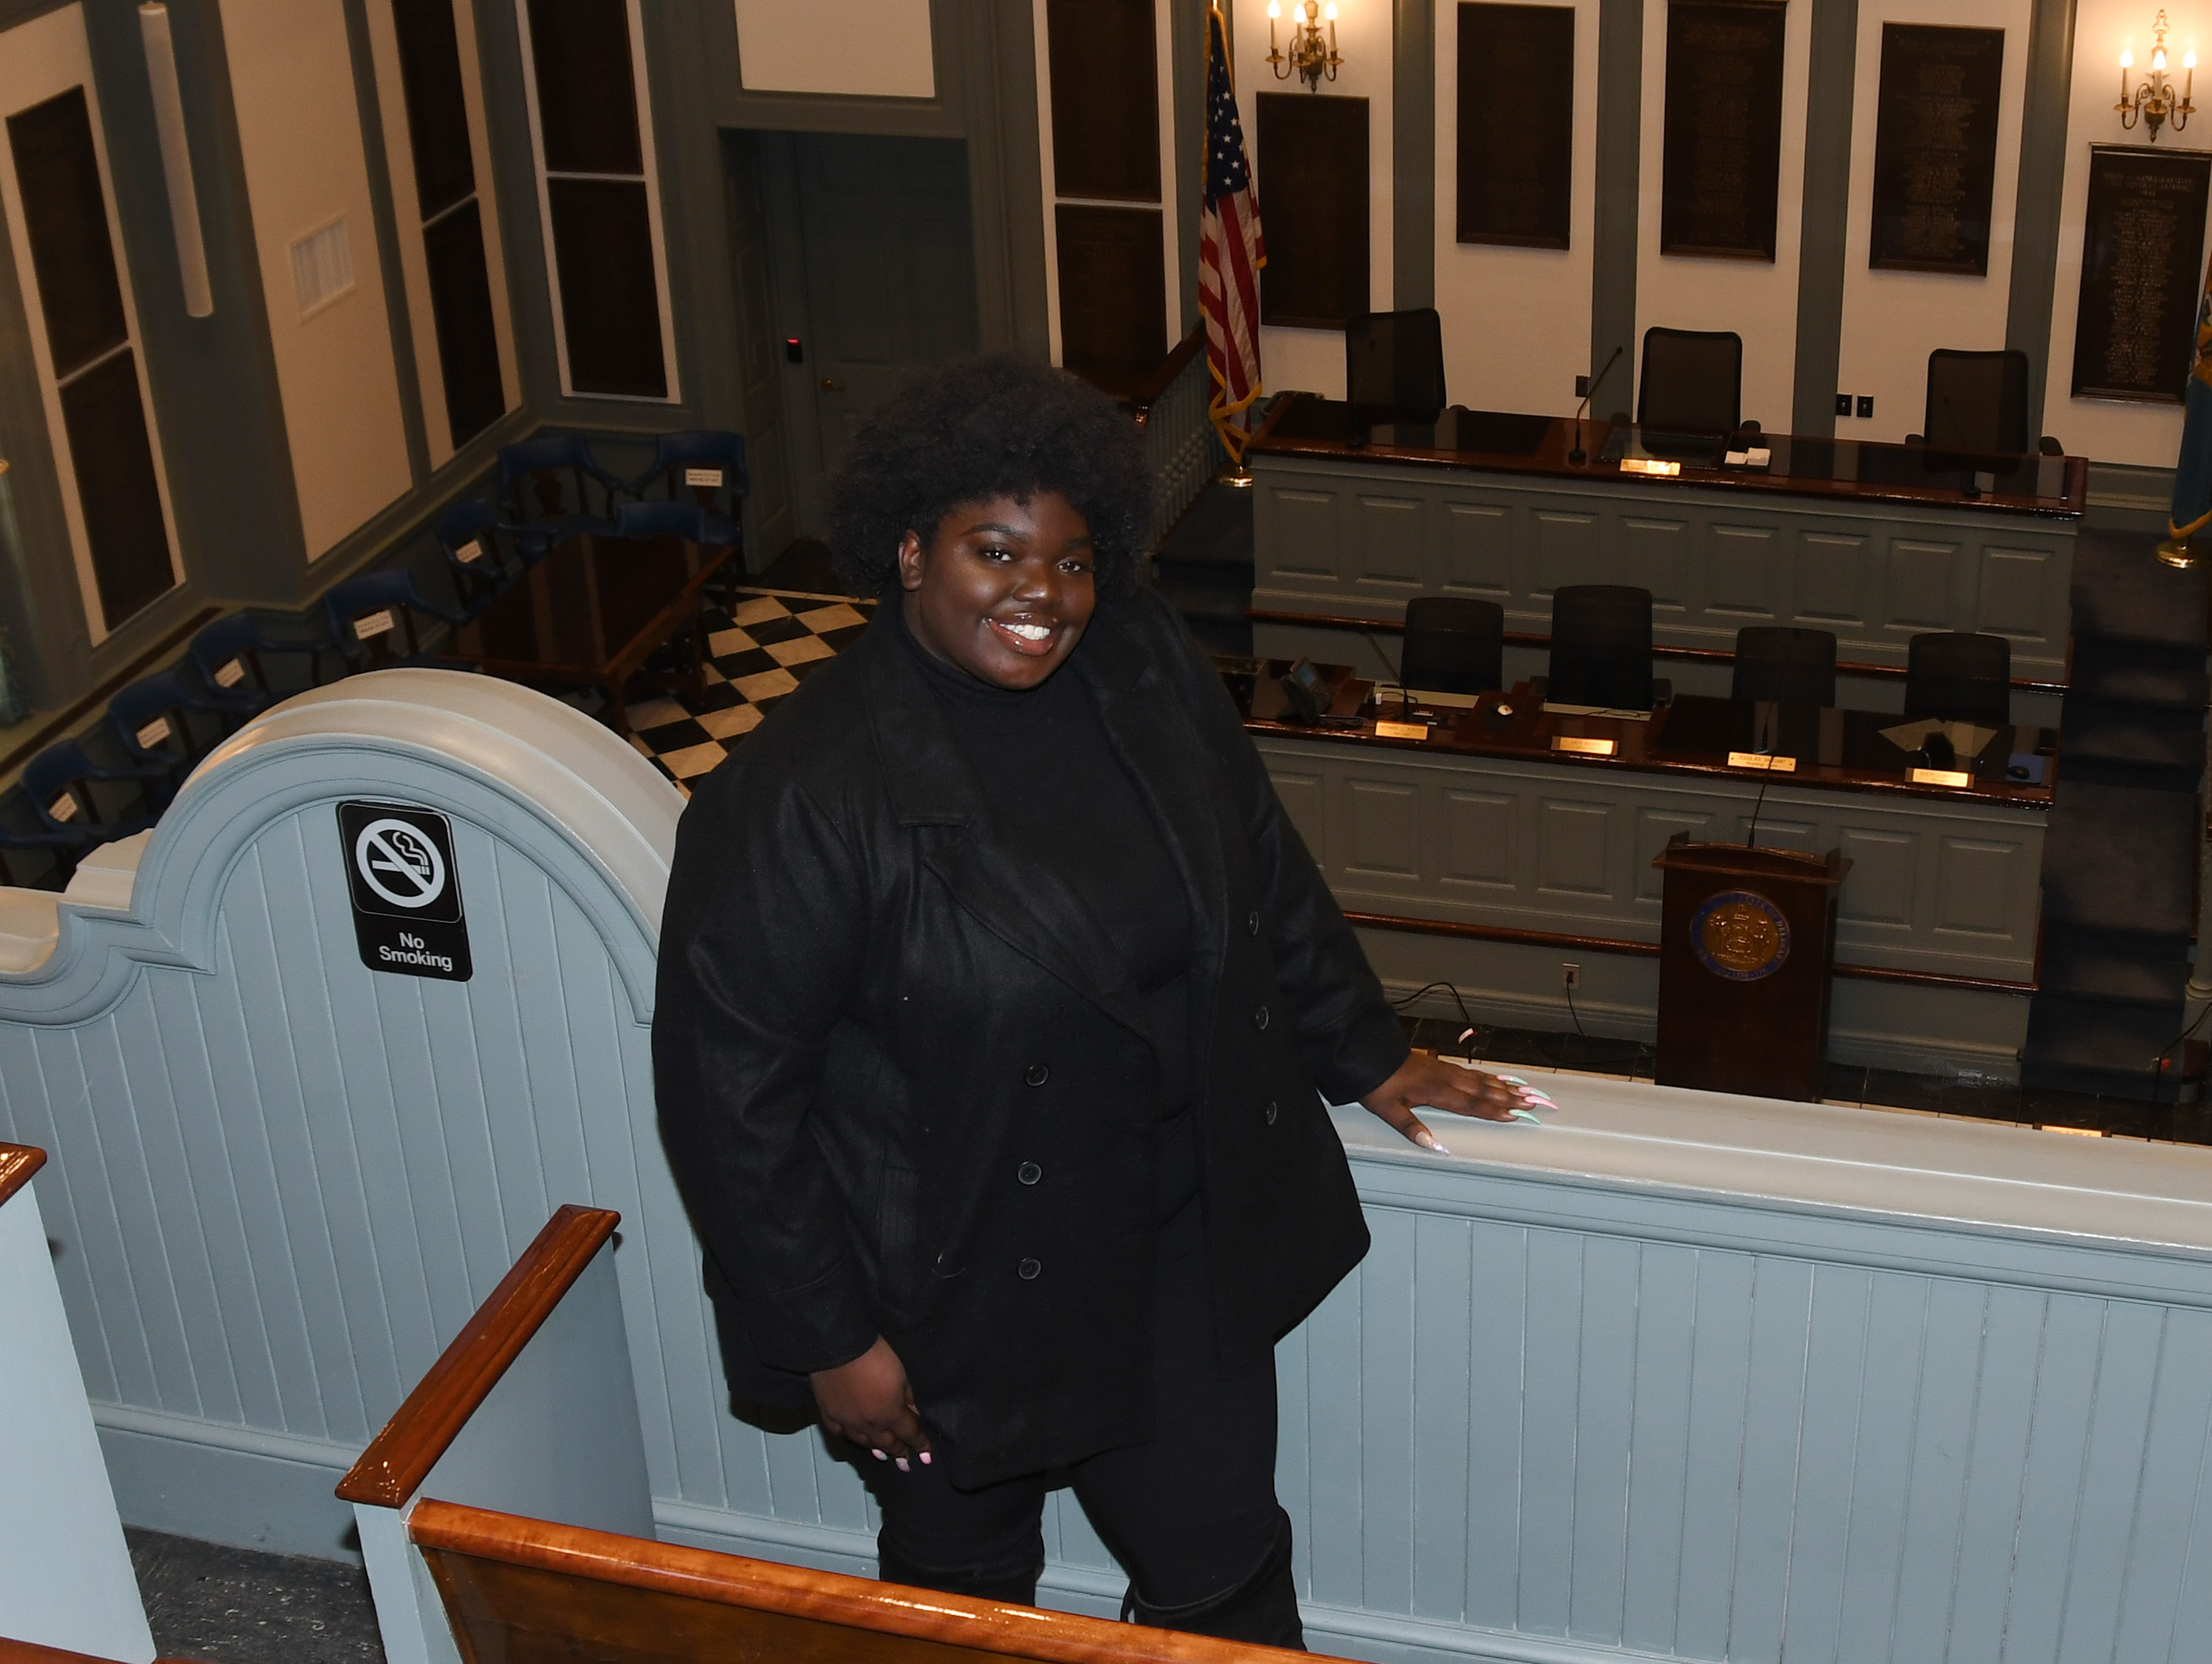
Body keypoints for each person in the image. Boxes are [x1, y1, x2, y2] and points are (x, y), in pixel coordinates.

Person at [651, 353, 1543, 1647]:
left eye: (1071, 560)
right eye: (995, 550)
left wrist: (1366, 1049)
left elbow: (1256, 863)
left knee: (1227, 1581)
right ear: (909, 551)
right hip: (945, 1285)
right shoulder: (795, 794)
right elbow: (730, 1102)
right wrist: (832, 1342)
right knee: (963, 1608)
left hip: (1172, 1241)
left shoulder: (1138, 660)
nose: (1042, 595)